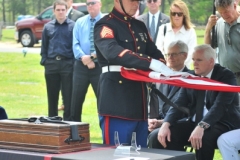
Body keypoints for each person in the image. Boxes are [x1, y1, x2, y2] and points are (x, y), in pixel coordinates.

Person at [94, 0, 174, 147]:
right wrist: (148, 63)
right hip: (117, 102)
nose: (136, 4)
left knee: (140, 153)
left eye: (138, 1)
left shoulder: (139, 26)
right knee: (116, 153)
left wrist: (158, 63)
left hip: (140, 104)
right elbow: (112, 53)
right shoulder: (106, 25)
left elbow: (155, 53)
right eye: (131, 0)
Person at [153, 44, 240, 160]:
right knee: (157, 135)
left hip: (222, 122)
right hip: (195, 122)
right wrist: (166, 124)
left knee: (203, 137)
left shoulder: (226, 76)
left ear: (211, 61)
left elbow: (220, 107)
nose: (194, 63)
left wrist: (201, 126)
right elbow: (179, 104)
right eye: (193, 59)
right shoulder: (191, 76)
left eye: (199, 60)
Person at [148, 40, 189, 144]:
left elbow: (186, 111)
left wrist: (162, 122)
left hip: (177, 123)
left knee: (155, 136)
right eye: (168, 54)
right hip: (158, 121)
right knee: (137, 130)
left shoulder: (190, 78)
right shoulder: (163, 77)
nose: (170, 57)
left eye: (174, 54)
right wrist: (151, 120)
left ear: (185, 55)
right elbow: (157, 104)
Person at [40, 0, 75, 120]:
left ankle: (68, 123)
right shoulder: (48, 27)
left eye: (63, 10)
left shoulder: (73, 26)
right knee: (52, 96)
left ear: (66, 10)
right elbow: (44, 46)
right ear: (54, 11)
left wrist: (73, 63)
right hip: (51, 65)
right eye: (58, 10)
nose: (61, 12)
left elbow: (75, 45)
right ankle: (52, 122)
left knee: (68, 96)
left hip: (68, 64)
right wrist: (45, 61)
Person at [70, 0, 103, 122]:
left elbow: (108, 45)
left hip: (100, 66)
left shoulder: (107, 22)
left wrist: (93, 57)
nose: (90, 6)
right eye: (87, 3)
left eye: (93, 3)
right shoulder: (80, 22)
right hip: (81, 66)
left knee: (102, 102)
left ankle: (105, 133)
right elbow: (75, 43)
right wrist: (84, 57)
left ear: (100, 4)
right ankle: (75, 135)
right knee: (76, 102)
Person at [57, 0, 85, 111]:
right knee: (63, 83)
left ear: (71, 1)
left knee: (71, 85)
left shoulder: (78, 16)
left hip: (74, 56)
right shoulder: (57, 15)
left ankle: (68, 106)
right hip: (62, 56)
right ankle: (64, 103)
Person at [204, 0, 240, 85]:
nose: (224, 15)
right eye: (221, 12)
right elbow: (208, 48)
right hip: (225, 76)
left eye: (226, 11)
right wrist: (208, 29)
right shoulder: (219, 23)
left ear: (234, 6)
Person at [155, 0, 197, 69]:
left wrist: (178, 66)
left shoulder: (190, 31)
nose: (176, 16)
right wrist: (167, 65)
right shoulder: (163, 29)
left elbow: (191, 53)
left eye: (179, 14)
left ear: (184, 15)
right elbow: (158, 50)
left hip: (183, 71)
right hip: (165, 69)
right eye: (173, 14)